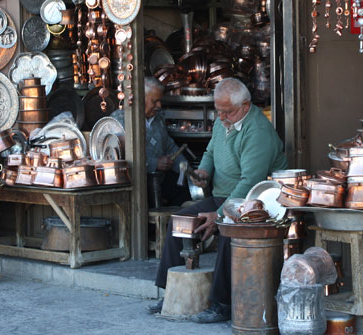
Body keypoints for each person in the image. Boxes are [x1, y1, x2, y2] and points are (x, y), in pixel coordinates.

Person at [146, 78, 287, 323]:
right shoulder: (225, 121)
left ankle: (222, 303)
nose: (221, 117)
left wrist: (220, 214)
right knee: (180, 222)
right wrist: (204, 171)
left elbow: (249, 183)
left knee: (228, 230)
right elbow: (211, 151)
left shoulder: (258, 131)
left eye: (228, 112)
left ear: (245, 106)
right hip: (224, 197)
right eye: (218, 111)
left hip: (256, 204)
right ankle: (171, 292)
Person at [113, 77, 191, 207]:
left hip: (159, 181)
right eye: (155, 101)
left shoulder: (158, 118)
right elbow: (119, 157)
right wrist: (155, 163)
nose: (159, 106)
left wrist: (187, 170)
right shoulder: (120, 120)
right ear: (140, 99)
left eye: (159, 101)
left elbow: (169, 147)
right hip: (136, 184)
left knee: (185, 194)